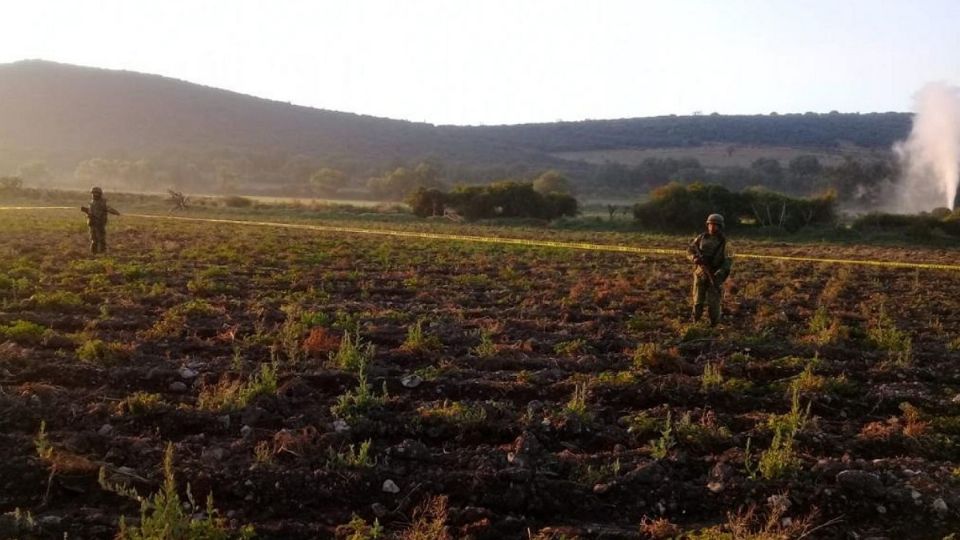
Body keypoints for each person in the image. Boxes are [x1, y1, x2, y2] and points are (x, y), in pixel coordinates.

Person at [688, 213, 732, 326]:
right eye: (710, 224)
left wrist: (720, 273)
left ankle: (714, 325)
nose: (712, 227)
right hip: (700, 274)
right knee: (697, 301)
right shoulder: (701, 238)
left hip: (715, 275)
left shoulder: (725, 242)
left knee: (714, 303)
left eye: (715, 225)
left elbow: (728, 261)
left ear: (720, 226)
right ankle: (695, 322)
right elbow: (690, 250)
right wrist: (694, 258)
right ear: (707, 225)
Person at [80, 187, 120, 254]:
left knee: (101, 239)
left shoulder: (102, 202)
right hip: (92, 223)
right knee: (94, 239)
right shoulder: (92, 202)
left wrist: (116, 213)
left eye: (96, 193)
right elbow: (91, 212)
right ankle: (94, 253)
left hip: (99, 223)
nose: (94, 195)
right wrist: (86, 210)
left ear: (99, 194)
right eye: (93, 193)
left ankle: (102, 252)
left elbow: (109, 209)